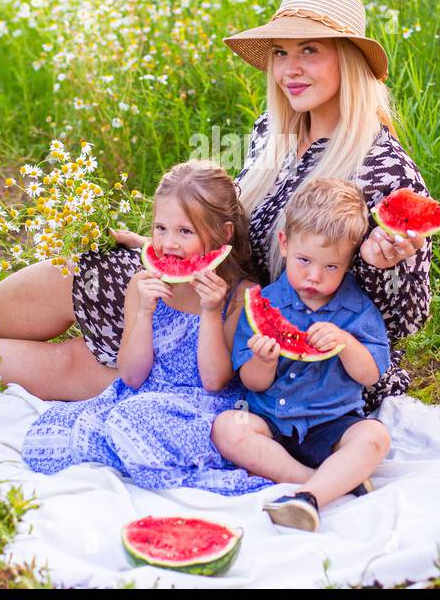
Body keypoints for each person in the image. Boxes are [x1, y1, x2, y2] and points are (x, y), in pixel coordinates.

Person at [0, 0, 433, 413]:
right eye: (281, 52)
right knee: (90, 267)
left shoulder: (382, 168)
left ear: (348, 60)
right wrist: (174, 241)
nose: (290, 68)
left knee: (97, 359)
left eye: (309, 51)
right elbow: (245, 236)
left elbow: (407, 318)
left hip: (283, 349)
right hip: (228, 293)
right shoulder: (272, 133)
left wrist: (379, 265)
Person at [19, 159, 274, 495]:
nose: (168, 244)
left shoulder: (239, 296)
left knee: (135, 416)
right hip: (145, 393)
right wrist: (143, 314)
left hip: (202, 409)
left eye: (185, 232)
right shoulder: (144, 283)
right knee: (59, 432)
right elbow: (132, 376)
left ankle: (145, 454)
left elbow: (214, 381)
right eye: (160, 229)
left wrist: (211, 312)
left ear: (223, 234)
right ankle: (135, 450)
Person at [212, 177, 392, 531]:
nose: (314, 276)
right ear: (284, 243)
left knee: (375, 436)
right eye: (304, 260)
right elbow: (252, 382)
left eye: (330, 267)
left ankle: (308, 498)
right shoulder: (264, 305)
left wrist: (347, 344)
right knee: (227, 428)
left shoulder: (357, 311)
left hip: (332, 423)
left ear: (349, 263)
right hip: (271, 421)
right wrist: (263, 360)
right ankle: (319, 482)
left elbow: (371, 374)